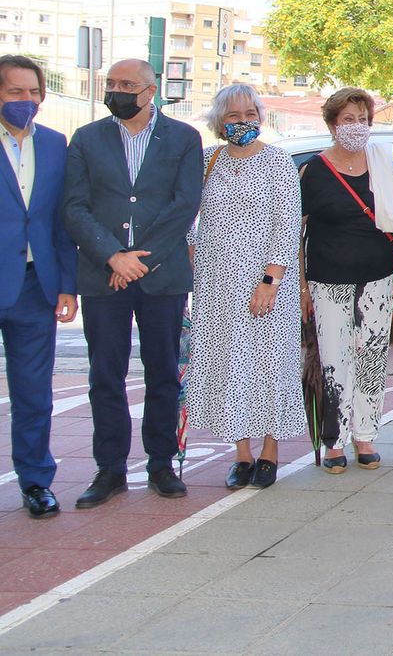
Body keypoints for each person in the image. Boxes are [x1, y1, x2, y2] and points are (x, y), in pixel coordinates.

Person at [64, 58, 202, 507]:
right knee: (106, 374)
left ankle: (161, 462)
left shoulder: (184, 138)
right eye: (111, 84)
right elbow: (75, 207)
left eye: (127, 84)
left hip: (161, 277)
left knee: (163, 371)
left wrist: (141, 260)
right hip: (104, 276)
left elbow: (184, 205)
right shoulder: (87, 138)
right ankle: (110, 469)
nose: (117, 91)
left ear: (151, 90)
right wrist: (113, 257)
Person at [186, 83, 304, 491]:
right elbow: (187, 217)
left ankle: (270, 451)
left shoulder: (278, 162)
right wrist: (191, 259)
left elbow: (286, 225)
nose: (242, 122)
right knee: (228, 366)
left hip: (266, 282)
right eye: (234, 116)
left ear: (260, 117)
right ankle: (242, 453)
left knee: (269, 364)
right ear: (220, 120)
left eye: (249, 115)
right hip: (216, 283)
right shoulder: (207, 160)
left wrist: (270, 280)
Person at [299, 87, 393, 474]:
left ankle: (365, 433)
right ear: (331, 124)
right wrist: (302, 287)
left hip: (378, 276)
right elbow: (299, 231)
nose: (357, 127)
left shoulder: (380, 162)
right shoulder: (313, 170)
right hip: (328, 279)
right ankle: (333, 439)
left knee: (372, 355)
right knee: (334, 359)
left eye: (363, 120)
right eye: (348, 120)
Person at [0, 55, 78, 517]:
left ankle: (35, 482)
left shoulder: (54, 144)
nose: (26, 101)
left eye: (34, 93)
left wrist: (66, 284)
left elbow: (58, 221)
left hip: (35, 288)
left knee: (34, 393)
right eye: (15, 92)